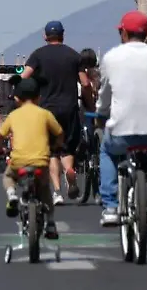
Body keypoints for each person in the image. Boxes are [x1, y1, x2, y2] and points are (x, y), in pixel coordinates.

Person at [96, 11, 147, 227]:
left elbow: (104, 96)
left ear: (123, 32)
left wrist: (101, 115)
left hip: (122, 130)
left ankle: (110, 206)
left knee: (107, 151)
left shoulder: (111, 58)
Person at [21, 20, 93, 203]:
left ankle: (57, 192)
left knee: (52, 151)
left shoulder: (37, 55)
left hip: (47, 110)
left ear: (45, 36)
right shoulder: (73, 55)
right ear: (63, 35)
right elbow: (85, 83)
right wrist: (89, 102)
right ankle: (70, 171)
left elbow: (24, 77)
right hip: (69, 108)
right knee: (67, 148)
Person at [0, 78, 62, 240]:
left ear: (17, 98)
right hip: (41, 161)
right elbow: (59, 133)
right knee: (45, 188)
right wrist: (56, 147)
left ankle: (12, 195)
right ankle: (51, 223)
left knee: (8, 176)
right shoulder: (45, 114)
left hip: (19, 162)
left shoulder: (13, 115)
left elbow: (0, 136)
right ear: (39, 97)